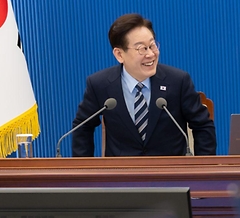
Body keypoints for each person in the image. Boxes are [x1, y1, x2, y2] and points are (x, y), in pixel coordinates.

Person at [71, 13, 216, 156]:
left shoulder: (178, 81)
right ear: (119, 54)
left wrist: (202, 174)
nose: (151, 54)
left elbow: (203, 126)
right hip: (122, 176)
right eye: (141, 48)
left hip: (170, 175)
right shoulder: (100, 85)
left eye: (152, 45)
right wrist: (85, 173)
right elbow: (82, 127)